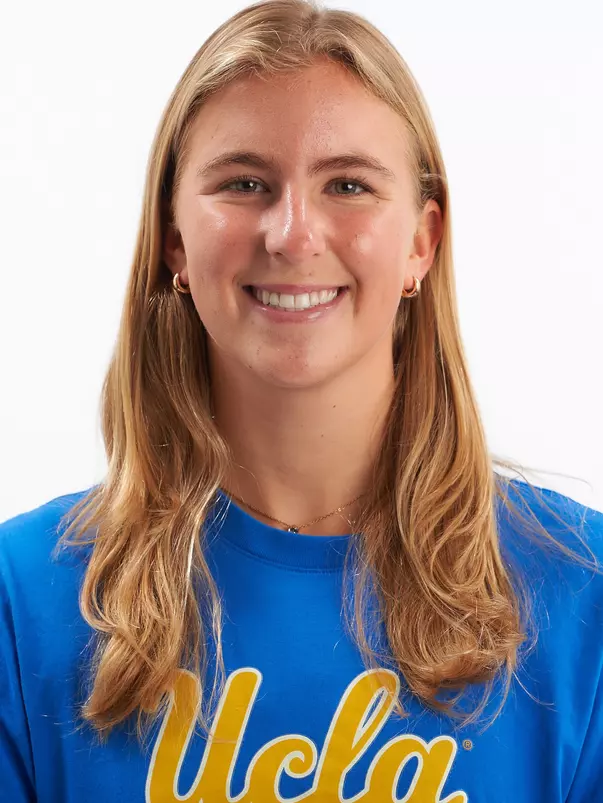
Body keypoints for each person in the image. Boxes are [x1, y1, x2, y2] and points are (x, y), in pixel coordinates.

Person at [1, 0, 602, 800]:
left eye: (347, 184)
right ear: (173, 237)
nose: (291, 234)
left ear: (421, 241)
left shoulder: (582, 595)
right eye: (244, 182)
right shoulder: (23, 599)